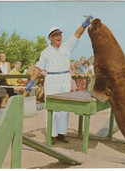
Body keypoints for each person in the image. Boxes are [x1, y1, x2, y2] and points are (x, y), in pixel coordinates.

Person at [25, 15, 93, 144]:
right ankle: (51, 135)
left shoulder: (67, 47)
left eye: (60, 34)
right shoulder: (45, 52)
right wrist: (31, 82)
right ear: (50, 38)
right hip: (52, 80)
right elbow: (38, 68)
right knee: (52, 107)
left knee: (64, 107)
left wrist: (84, 25)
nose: (59, 37)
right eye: (55, 35)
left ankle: (62, 133)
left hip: (65, 79)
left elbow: (76, 35)